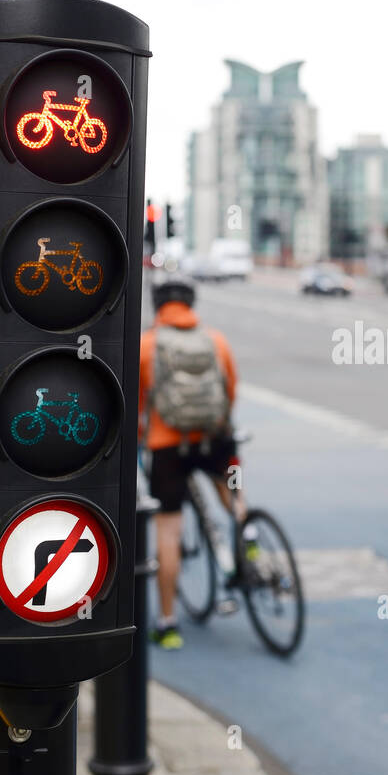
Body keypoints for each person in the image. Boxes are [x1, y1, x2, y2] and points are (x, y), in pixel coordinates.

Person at [139, 272, 251, 650]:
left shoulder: (147, 345)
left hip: (168, 447)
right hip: (216, 440)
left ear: (158, 306)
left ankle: (167, 624)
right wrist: (220, 427)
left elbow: (139, 403)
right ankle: (248, 534)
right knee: (233, 488)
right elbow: (230, 388)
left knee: (168, 532)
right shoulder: (215, 341)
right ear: (191, 305)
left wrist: (144, 433)